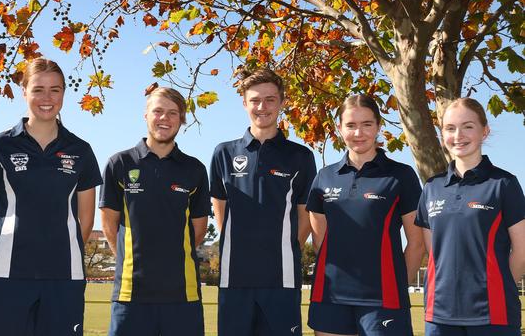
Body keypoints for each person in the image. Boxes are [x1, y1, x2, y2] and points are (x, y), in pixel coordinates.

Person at [0, 58, 102, 336]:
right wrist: (1, 253)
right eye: (38, 89)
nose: (47, 98)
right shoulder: (0, 145)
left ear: (64, 93)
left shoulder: (81, 150)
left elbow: (86, 220)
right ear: (24, 91)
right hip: (6, 274)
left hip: (64, 275)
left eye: (55, 90)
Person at [306, 94, 424, 336]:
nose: (358, 133)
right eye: (350, 125)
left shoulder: (401, 175)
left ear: (378, 126)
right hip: (330, 296)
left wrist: (399, 287)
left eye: (367, 124)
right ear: (339, 128)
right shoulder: (324, 177)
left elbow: (417, 242)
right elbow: (320, 240)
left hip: (383, 299)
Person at [210, 68, 317, 336]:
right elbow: (220, 210)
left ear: (282, 102)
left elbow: (305, 216)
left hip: (281, 278)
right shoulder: (224, 153)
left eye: (270, 99)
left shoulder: (300, 156)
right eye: (255, 100)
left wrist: (282, 249)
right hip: (234, 278)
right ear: (245, 103)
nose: (263, 107)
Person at [99, 87, 210, 336]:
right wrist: (134, 262)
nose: (164, 118)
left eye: (173, 113)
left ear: (182, 119)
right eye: (158, 111)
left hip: (183, 294)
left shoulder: (195, 169)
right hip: (130, 293)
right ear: (146, 115)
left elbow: (198, 230)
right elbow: (108, 225)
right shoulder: (119, 164)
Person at [415, 97, 525, 336]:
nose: (458, 135)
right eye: (450, 128)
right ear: (442, 134)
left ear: (484, 131)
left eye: (468, 126)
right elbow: (433, 251)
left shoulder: (504, 184)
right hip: (440, 314)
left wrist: (498, 287)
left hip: (493, 314)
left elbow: (521, 250)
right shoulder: (431, 188)